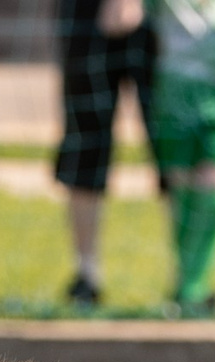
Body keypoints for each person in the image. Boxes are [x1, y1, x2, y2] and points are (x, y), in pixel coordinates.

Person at [102, 0, 215, 314]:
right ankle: (188, 290)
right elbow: (115, 22)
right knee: (183, 200)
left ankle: (192, 288)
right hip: (175, 104)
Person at [55, 0, 161, 308]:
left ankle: (191, 280)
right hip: (88, 15)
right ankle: (86, 276)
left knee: (173, 145)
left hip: (162, 14)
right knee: (85, 146)